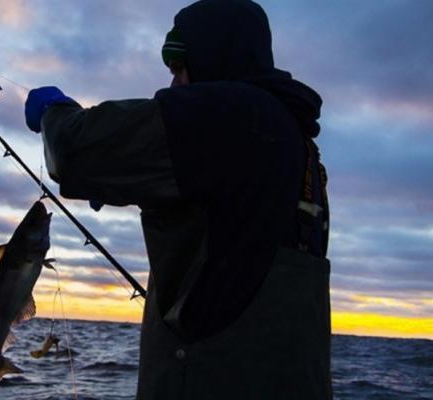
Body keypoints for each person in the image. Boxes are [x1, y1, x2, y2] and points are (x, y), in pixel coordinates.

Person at [24, 0, 331, 398]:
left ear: (216, 56)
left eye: (180, 69)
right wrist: (132, 181)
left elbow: (73, 151)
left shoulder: (228, 111)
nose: (174, 85)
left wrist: (54, 111)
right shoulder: (296, 145)